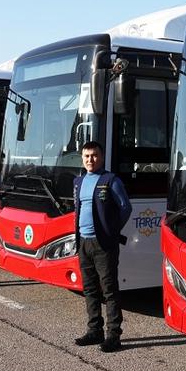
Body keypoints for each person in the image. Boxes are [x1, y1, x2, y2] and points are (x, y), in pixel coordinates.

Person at [71, 140, 132, 353]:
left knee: (109, 289)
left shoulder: (110, 180)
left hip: (103, 243)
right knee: (89, 289)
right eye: (87, 156)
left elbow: (125, 207)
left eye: (94, 155)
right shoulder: (78, 181)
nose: (90, 160)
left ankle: (113, 335)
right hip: (83, 242)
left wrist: (111, 231)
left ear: (102, 157)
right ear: (82, 158)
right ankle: (94, 330)